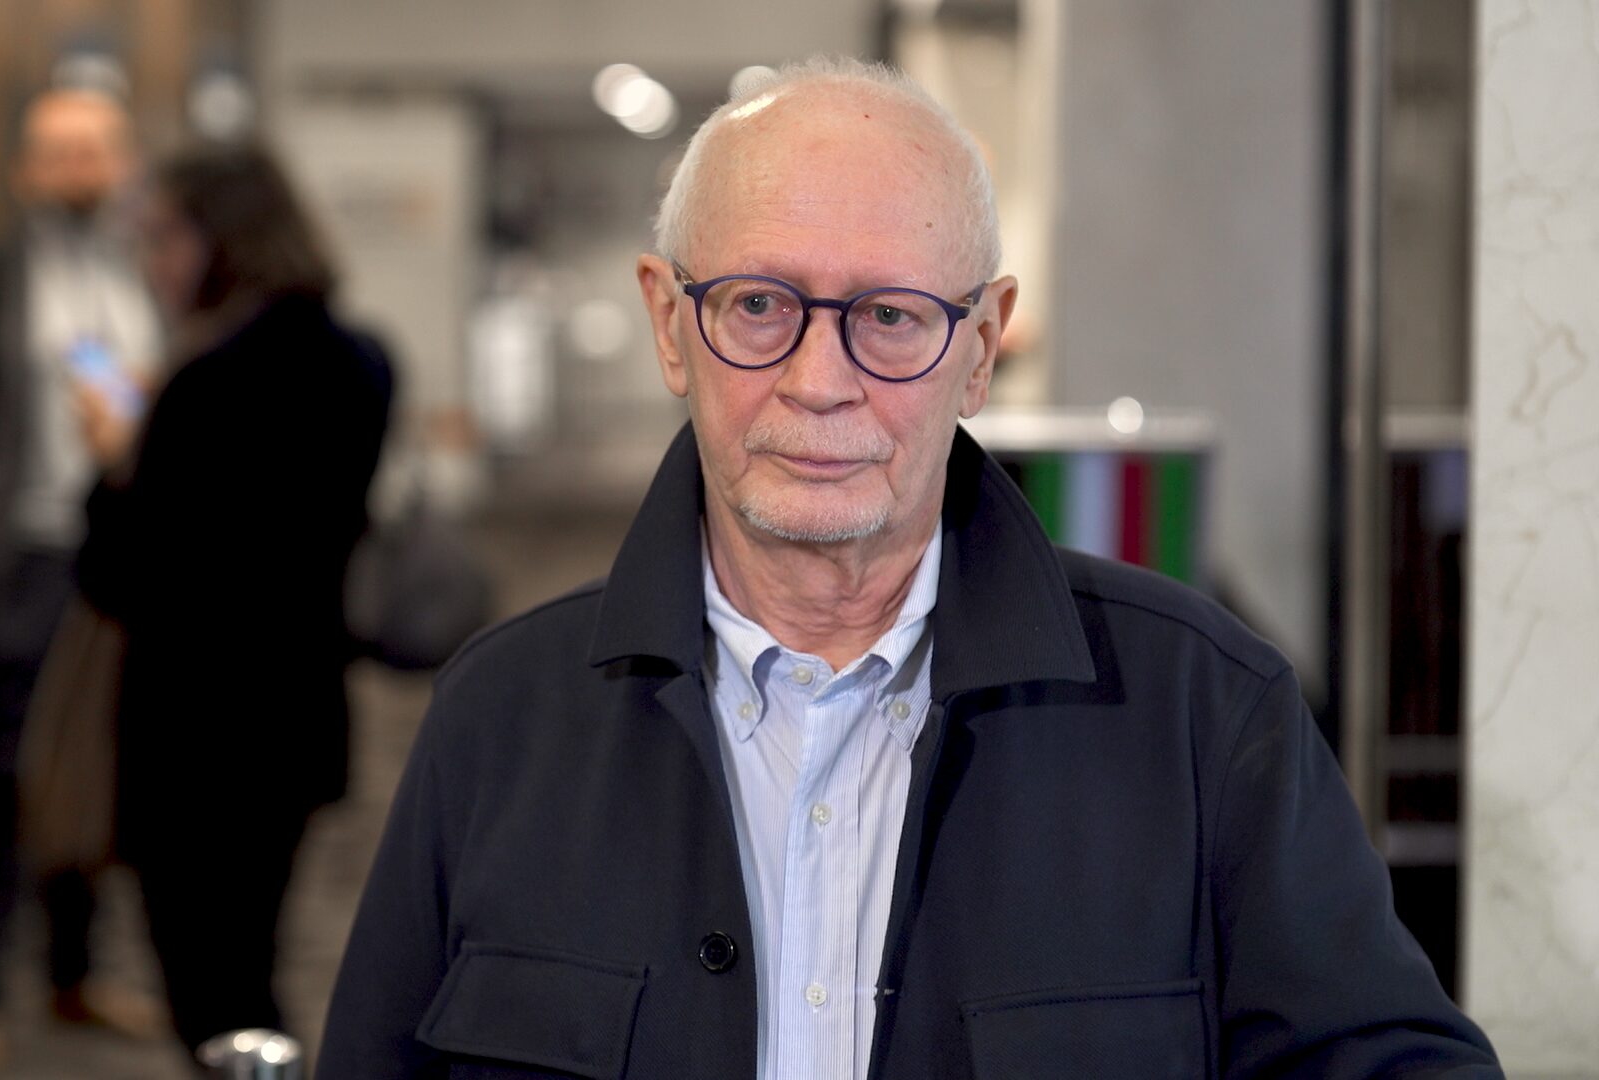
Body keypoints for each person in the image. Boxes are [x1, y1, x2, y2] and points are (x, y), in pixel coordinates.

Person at [316, 58, 1500, 1078]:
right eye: (759, 303)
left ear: (979, 349)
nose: (819, 382)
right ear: (670, 325)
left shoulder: (1206, 716)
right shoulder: (498, 722)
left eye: (890, 317)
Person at [74, 144, 393, 1054]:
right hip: (295, 714)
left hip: (196, 733)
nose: (153, 263)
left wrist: (114, 466)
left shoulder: (206, 383)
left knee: (210, 988)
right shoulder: (360, 359)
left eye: (164, 237)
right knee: (251, 965)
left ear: (222, 237)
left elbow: (120, 575)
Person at [0, 85, 166, 1070]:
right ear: (26, 169)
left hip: (130, 555)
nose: (78, 168)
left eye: (94, 149)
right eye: (58, 151)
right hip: (26, 555)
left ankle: (75, 976)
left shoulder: (151, 265)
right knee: (5, 778)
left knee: (100, 767)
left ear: (125, 161)